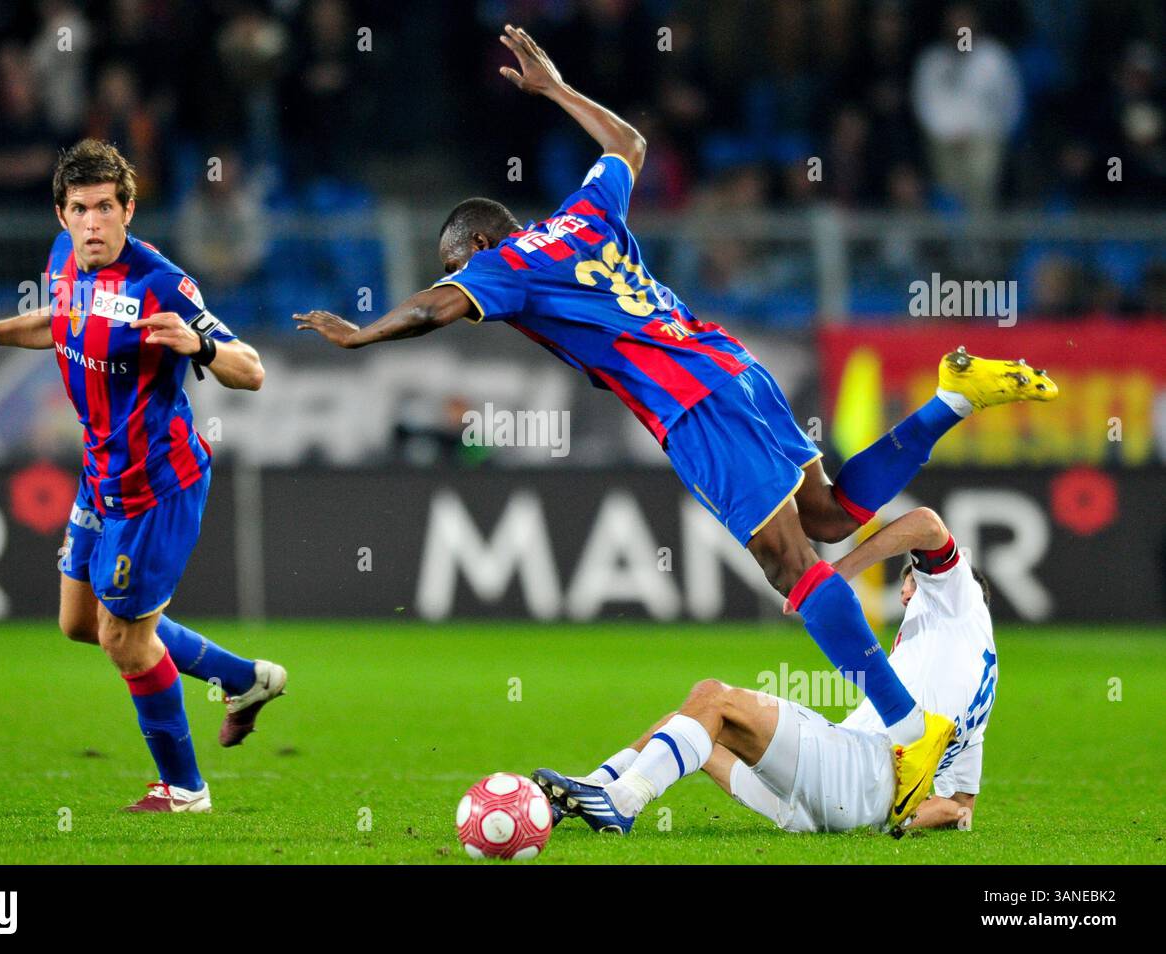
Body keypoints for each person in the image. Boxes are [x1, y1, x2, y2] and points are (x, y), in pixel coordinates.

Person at [294, 25, 1053, 826]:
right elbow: (628, 141)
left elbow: (433, 309)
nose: (464, 279)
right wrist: (554, 89)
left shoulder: (503, 264)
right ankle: (950, 402)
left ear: (479, 243)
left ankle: (908, 732)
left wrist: (364, 333)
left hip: (691, 405)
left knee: (791, 565)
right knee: (830, 517)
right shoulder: (584, 215)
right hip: (734, 365)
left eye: (460, 264)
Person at [0, 139, 284, 813]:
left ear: (128, 209)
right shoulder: (62, 259)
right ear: (61, 214)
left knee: (123, 639)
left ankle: (186, 790)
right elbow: (59, 324)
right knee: (80, 621)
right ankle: (241, 677)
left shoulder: (161, 283)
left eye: (106, 207)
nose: (93, 223)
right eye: (80, 209)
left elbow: (251, 370)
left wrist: (199, 345)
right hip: (99, 474)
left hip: (157, 485)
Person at [534, 507, 996, 836]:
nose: (905, 594)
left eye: (911, 581)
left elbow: (926, 524)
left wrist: (839, 570)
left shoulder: (960, 601)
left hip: (854, 773)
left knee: (715, 696)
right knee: (692, 719)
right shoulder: (979, 682)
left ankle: (622, 803)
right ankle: (595, 787)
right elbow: (960, 805)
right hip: (829, 809)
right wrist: (901, 821)